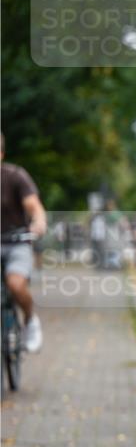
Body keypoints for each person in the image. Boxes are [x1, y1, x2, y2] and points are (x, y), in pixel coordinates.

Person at [1, 133, 47, 353]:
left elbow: (34, 206)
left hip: (16, 241)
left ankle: (30, 321)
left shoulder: (15, 176)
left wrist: (38, 223)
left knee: (16, 284)